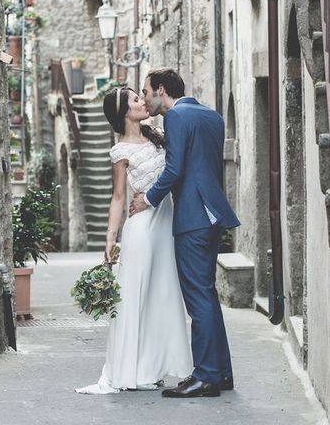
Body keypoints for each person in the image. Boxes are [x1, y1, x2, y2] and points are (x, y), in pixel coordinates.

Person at [130, 68, 241, 398]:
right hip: (212, 215)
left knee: (198, 298)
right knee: (207, 295)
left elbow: (175, 168)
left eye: (146, 91)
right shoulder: (212, 115)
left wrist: (148, 200)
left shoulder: (175, 117)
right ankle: (220, 373)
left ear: (161, 90)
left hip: (193, 218)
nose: (145, 98)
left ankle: (206, 375)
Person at [75, 87, 192, 394]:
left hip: (164, 227)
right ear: (125, 112)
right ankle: (129, 370)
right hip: (140, 229)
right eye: (136, 100)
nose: (143, 102)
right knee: (134, 297)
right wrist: (110, 239)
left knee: (161, 295)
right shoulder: (120, 151)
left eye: (142, 97)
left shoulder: (158, 136)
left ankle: (152, 368)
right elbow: (118, 198)